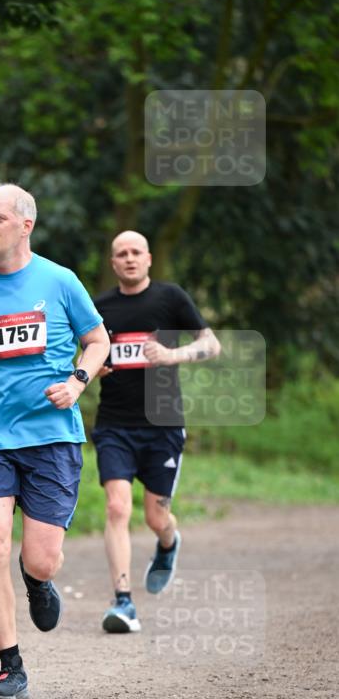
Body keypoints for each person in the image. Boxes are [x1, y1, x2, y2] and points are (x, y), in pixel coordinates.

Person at [0, 184, 110, 699]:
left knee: (42, 558)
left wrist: (77, 381)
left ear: (25, 225)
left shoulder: (60, 281)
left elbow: (98, 341)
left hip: (50, 436)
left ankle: (37, 581)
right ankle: (10, 668)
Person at [92, 230, 220, 633]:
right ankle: (123, 601)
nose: (129, 258)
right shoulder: (99, 308)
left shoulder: (170, 298)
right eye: (121, 254)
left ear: (148, 258)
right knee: (117, 508)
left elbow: (211, 344)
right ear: (113, 263)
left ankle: (168, 542)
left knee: (155, 516)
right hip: (114, 424)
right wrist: (94, 367)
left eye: (136, 252)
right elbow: (86, 352)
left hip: (163, 426)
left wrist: (171, 354)